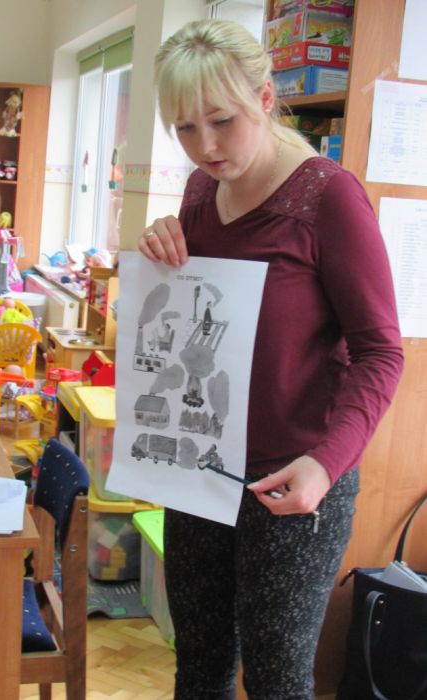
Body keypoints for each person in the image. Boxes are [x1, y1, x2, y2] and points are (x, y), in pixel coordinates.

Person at [137, 19, 404, 700]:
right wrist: (163, 242)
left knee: (277, 681)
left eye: (221, 121)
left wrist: (326, 464)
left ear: (263, 97)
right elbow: (195, 310)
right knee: (198, 666)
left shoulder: (327, 197)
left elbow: (380, 352)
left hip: (294, 476)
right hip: (203, 463)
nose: (205, 146)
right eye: (185, 128)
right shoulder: (200, 191)